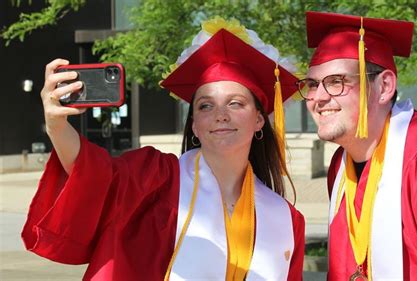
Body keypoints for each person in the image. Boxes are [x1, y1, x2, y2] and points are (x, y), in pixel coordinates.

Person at [22, 17, 305, 280]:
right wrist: (57, 128)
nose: (221, 114)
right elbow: (95, 174)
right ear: (194, 125)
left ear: (259, 119)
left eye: (235, 103)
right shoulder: (155, 178)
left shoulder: (285, 219)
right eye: (206, 105)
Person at [299, 11, 417, 280]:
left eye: (336, 82)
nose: (318, 98)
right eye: (311, 84)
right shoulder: (340, 165)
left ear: (384, 86)